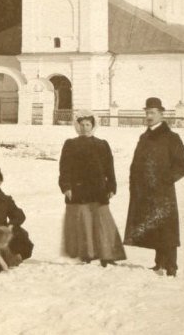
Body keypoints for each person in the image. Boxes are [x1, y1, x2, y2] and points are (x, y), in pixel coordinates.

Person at [123, 97, 184, 277]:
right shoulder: (144, 137)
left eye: (152, 113)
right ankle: (159, 262)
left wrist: (166, 179)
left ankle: (171, 266)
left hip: (163, 191)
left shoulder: (171, 137)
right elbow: (136, 164)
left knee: (167, 228)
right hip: (145, 191)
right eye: (147, 113)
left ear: (162, 114)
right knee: (154, 225)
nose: (149, 116)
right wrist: (135, 185)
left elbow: (183, 164)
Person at [58, 110, 126, 267]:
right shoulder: (70, 144)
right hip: (78, 188)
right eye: (82, 124)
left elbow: (110, 168)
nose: (85, 128)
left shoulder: (102, 144)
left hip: (99, 189)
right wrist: (66, 186)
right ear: (77, 126)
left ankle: (107, 256)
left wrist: (112, 187)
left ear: (93, 126)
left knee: (102, 221)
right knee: (84, 221)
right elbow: (64, 168)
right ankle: (87, 255)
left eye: (88, 124)